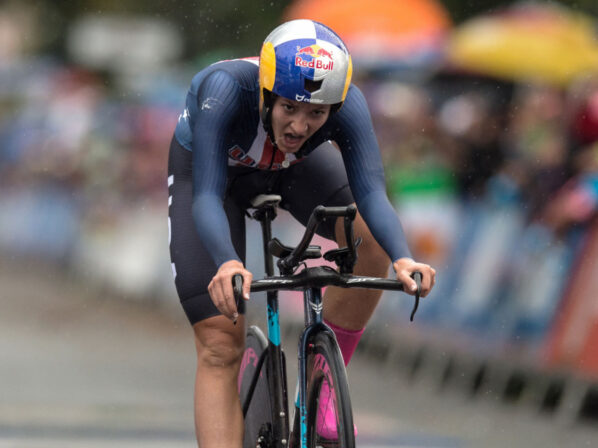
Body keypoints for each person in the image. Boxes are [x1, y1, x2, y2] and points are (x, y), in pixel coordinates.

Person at [167, 19, 436, 447]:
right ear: (267, 94)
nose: (299, 125)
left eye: (316, 114)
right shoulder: (225, 89)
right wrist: (228, 261)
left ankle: (321, 387)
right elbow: (206, 196)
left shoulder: (349, 103)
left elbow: (371, 192)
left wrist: (404, 256)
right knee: (220, 342)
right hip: (214, 180)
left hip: (289, 169)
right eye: (289, 107)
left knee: (369, 242)